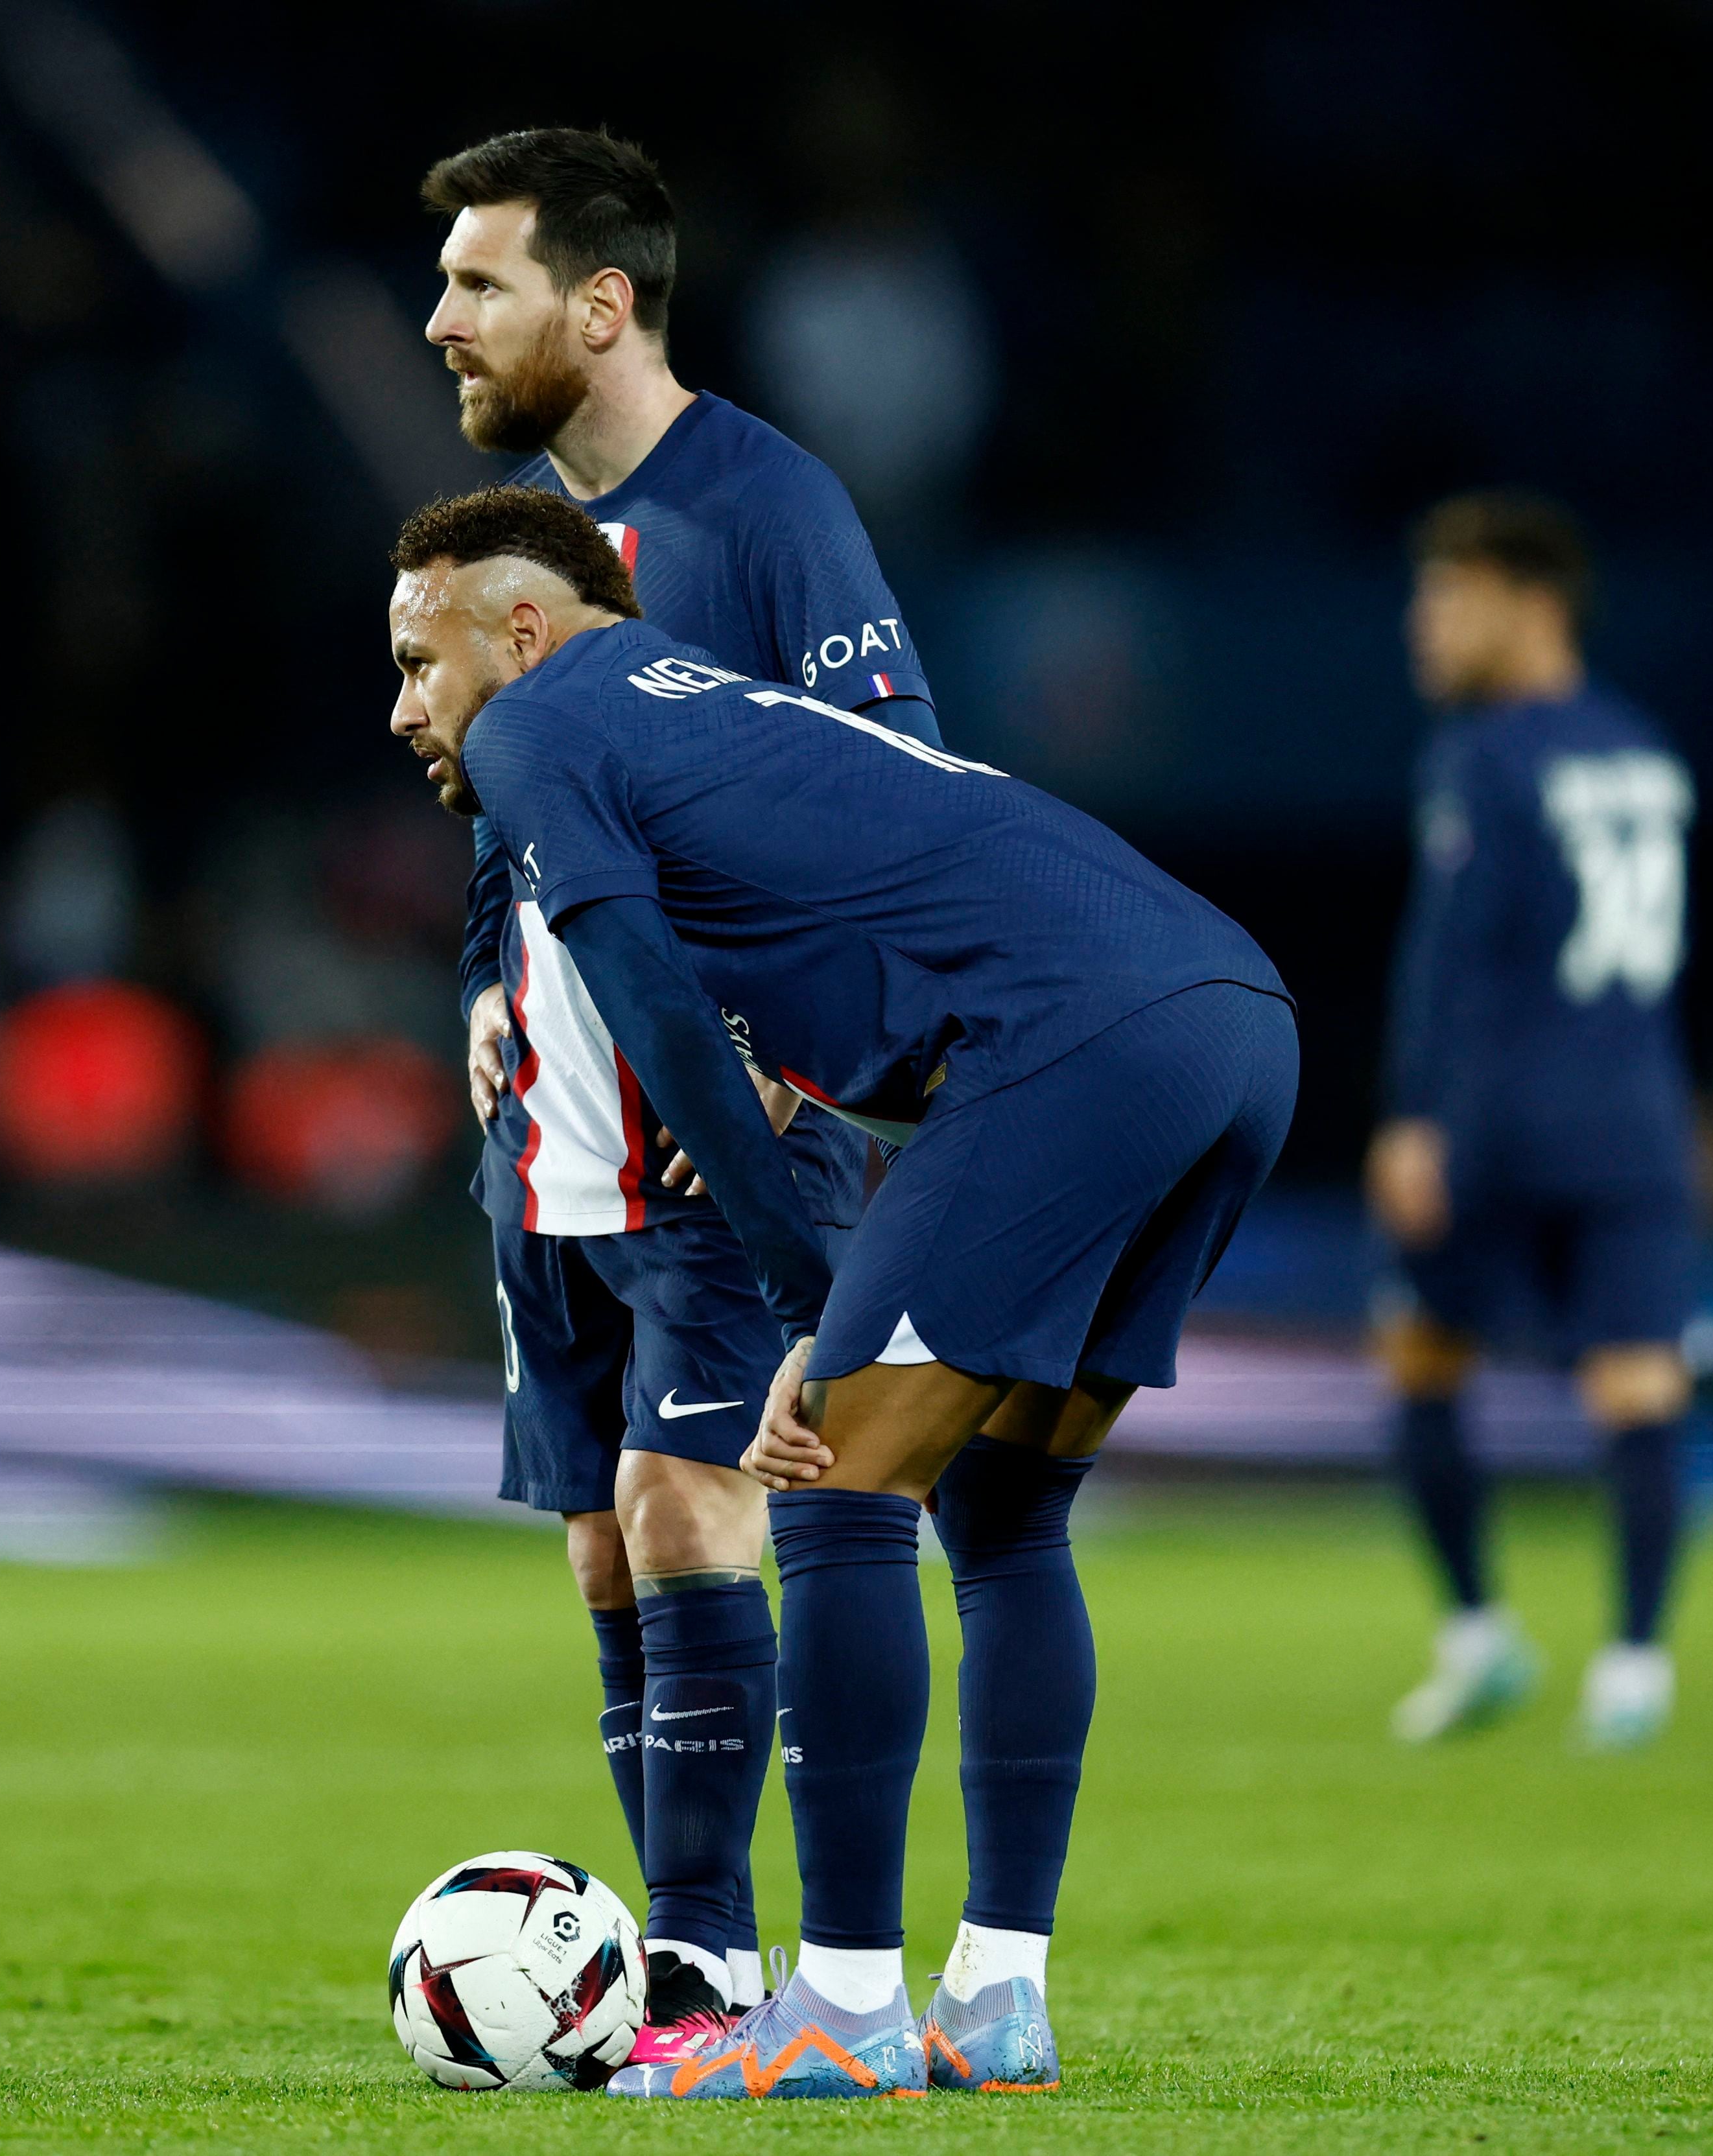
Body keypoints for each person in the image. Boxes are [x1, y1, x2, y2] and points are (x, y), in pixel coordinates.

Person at [385, 486, 1297, 2099]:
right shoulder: (716, 703)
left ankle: (842, 2009)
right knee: (1006, 1512)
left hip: (1064, 1038)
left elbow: (651, 1006)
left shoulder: (544, 729)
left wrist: (812, 1293)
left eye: (418, 659)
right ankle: (995, 1995)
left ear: (517, 629)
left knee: (831, 1484)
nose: (407, 706)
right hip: (1230, 1016)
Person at [417, 127, 939, 2057]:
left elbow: (898, 796)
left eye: (481, 284)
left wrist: (799, 1046)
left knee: (682, 1494)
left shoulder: (770, 512)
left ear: (601, 302)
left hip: (720, 1137)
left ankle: (712, 1955)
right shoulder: (519, 538)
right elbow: (501, 776)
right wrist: (485, 975)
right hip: (542, 1129)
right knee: (595, 1531)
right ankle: (673, 1944)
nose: (441, 320)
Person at [1367, 491, 1701, 1752]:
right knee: (1641, 1380)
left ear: (1532, 602)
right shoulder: (1642, 747)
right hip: (1633, 1105)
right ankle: (1635, 1666)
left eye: (1450, 596)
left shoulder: (1486, 755)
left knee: (1419, 1358)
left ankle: (1477, 1633)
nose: (1425, 623)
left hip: (1501, 1107)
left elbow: (1449, 954)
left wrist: (1412, 1114)